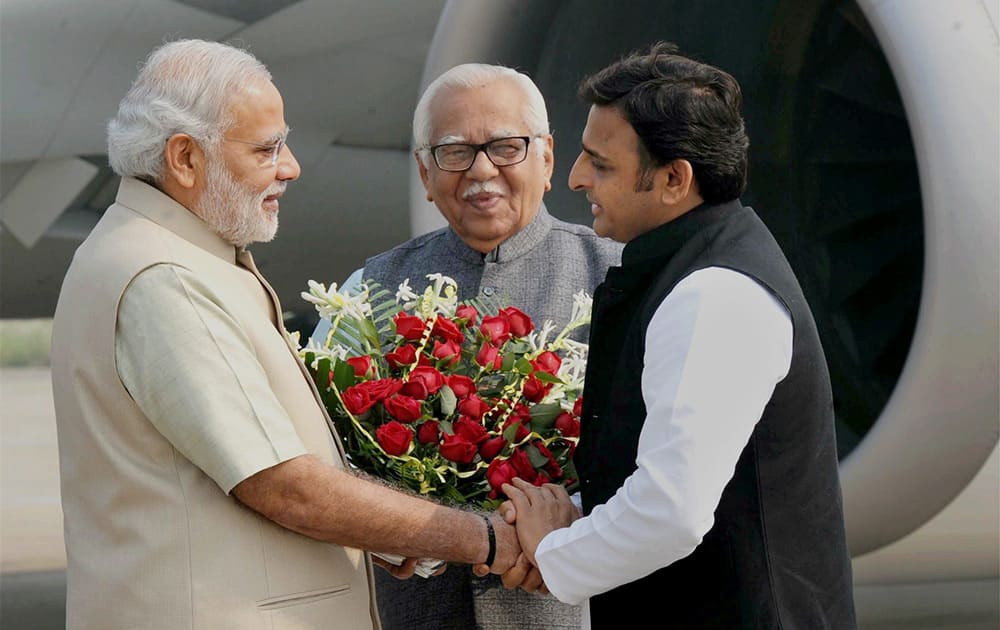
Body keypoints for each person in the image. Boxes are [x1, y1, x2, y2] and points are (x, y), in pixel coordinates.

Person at [50, 39, 521, 630]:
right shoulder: (167, 278)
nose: (291, 166)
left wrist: (387, 530)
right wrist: (486, 539)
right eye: (266, 148)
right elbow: (284, 487)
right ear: (184, 159)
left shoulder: (156, 253)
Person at [497, 42, 857, 629]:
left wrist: (550, 550)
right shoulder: (704, 266)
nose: (577, 178)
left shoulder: (714, 293)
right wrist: (565, 521)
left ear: (672, 179)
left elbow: (672, 512)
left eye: (601, 163)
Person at [313, 64, 622, 630]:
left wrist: (563, 528)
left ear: (547, 159)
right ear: (424, 175)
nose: (482, 170)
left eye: (507, 147)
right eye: (454, 152)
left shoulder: (618, 279)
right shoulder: (370, 294)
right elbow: (320, 461)